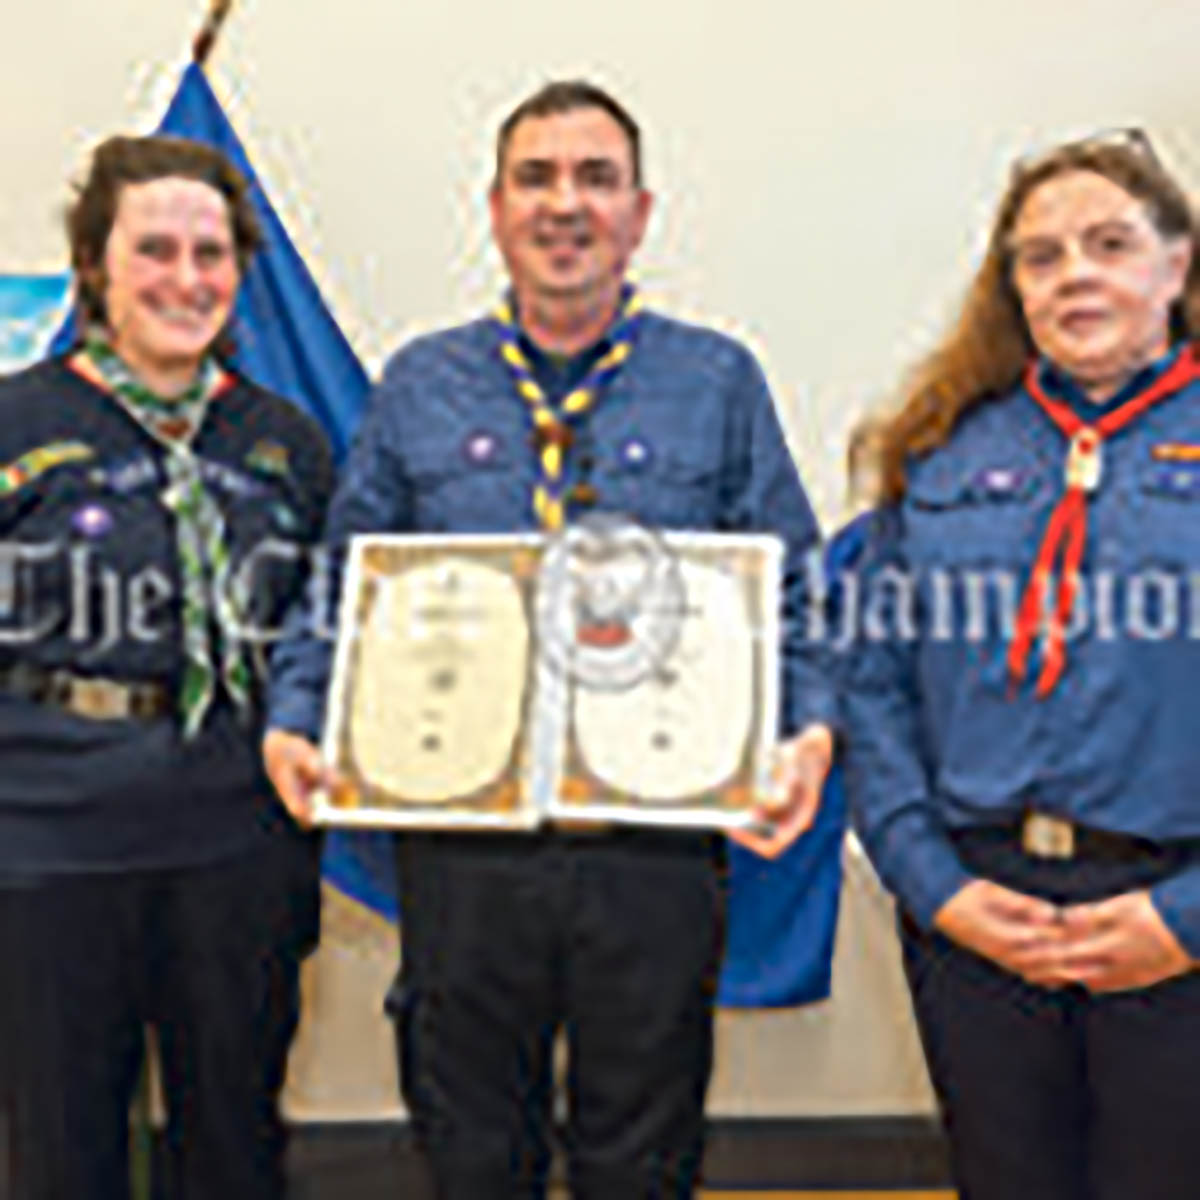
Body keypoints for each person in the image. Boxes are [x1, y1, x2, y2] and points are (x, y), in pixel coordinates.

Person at [264, 79, 836, 1198]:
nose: (565, 204)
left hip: (654, 847)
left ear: (641, 210)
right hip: (465, 850)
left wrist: (810, 728)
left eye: (595, 178)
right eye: (537, 177)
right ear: (494, 207)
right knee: (473, 1145)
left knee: (647, 1146)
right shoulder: (421, 384)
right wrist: (296, 714)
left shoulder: (718, 380)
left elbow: (796, 592)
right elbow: (343, 583)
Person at [841, 129, 1200, 1200]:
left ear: (1175, 264)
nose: (1075, 273)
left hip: (1173, 916)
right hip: (979, 912)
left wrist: (1182, 922)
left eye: (1109, 243)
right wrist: (934, 886)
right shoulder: (941, 445)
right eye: (1040, 256)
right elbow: (874, 690)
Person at [0, 134, 334, 1198]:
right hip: (50, 843)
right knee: (64, 1144)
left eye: (212, 253)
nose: (186, 280)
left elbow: (329, 634)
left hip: (238, 838)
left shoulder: (285, 439)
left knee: (236, 1140)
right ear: (96, 265)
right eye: (154, 250)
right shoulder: (16, 419)